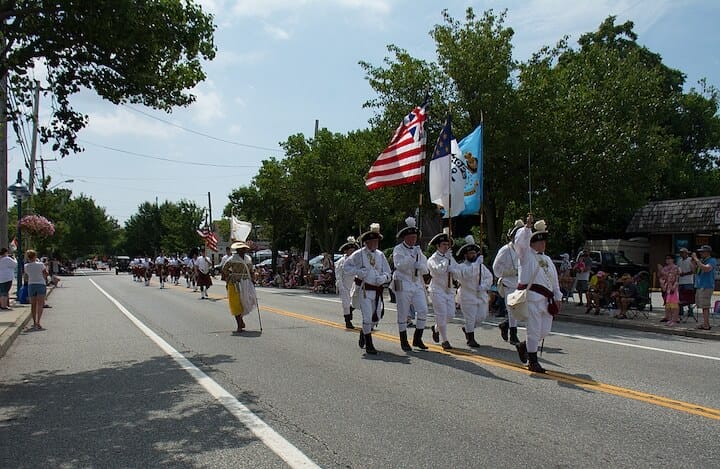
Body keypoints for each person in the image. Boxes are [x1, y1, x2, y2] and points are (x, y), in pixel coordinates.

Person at [513, 216, 562, 373]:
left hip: (547, 300)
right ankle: (533, 361)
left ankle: (524, 346)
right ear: (532, 243)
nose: (542, 244)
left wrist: (558, 296)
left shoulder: (547, 259)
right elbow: (520, 243)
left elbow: (554, 280)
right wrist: (527, 228)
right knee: (533, 330)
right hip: (533, 298)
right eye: (539, 241)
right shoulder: (526, 256)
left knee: (544, 331)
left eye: (544, 241)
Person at [343, 223, 392, 355]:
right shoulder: (358, 254)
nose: (375, 243)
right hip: (365, 290)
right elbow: (346, 268)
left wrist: (384, 277)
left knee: (375, 318)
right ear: (366, 242)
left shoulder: (380, 255)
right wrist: (359, 271)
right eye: (372, 241)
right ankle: (369, 344)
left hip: (377, 291)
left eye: (376, 241)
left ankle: (364, 332)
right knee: (367, 317)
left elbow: (388, 272)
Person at [391, 216, 430, 351]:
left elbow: (425, 268)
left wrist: (419, 265)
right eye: (410, 237)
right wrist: (411, 259)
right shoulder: (398, 249)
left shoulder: (418, 250)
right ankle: (403, 340)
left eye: (415, 237)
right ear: (405, 238)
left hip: (416, 282)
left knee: (423, 310)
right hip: (402, 282)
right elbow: (399, 265)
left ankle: (417, 338)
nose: (413, 240)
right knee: (403, 312)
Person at [454, 235, 493, 348]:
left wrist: (484, 286)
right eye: (471, 253)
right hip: (467, 295)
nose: (473, 255)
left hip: (480, 295)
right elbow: (467, 275)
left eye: (474, 253)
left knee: (482, 316)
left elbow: (489, 277)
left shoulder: (481, 266)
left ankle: (467, 329)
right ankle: (471, 338)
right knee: (470, 318)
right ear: (466, 255)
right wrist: (476, 265)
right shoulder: (461, 267)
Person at [493, 219, 524, 346]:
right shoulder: (505, 250)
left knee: (520, 310)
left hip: (521, 284)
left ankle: (505, 325)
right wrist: (508, 272)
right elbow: (496, 268)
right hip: (508, 283)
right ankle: (513, 334)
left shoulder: (523, 250)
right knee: (512, 309)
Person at [427, 229, 459, 350]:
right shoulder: (432, 259)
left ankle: (436, 328)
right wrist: (446, 262)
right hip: (437, 289)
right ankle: (445, 340)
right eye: (444, 244)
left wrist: (454, 270)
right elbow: (437, 270)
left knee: (450, 314)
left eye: (447, 244)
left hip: (449, 289)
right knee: (441, 314)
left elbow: (457, 273)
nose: (446, 247)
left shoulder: (450, 257)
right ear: (438, 246)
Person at [222, 241, 257, 334]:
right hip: (235, 283)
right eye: (240, 249)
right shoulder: (232, 258)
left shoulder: (248, 259)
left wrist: (253, 279)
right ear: (237, 250)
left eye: (243, 249)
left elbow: (252, 270)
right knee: (235, 303)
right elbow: (224, 269)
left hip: (246, 282)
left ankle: (241, 319)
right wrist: (229, 275)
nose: (242, 250)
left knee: (246, 302)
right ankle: (239, 324)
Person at [335, 236, 360, 329]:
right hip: (345, 285)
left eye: (353, 250)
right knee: (346, 304)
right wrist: (340, 286)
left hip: (354, 284)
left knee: (357, 302)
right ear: (346, 251)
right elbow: (338, 275)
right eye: (350, 250)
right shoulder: (341, 261)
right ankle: (347, 321)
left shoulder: (357, 260)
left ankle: (350, 311)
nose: (352, 252)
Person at [691, 245, 716, 330]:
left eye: (702, 252)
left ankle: (706, 325)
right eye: (700, 252)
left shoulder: (712, 260)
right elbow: (695, 271)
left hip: (707, 286)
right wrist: (693, 262)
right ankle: (705, 322)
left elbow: (706, 269)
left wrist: (697, 260)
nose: (701, 253)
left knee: (705, 306)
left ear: (708, 252)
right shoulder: (701, 261)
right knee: (701, 305)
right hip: (699, 285)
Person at [24, 249, 49, 330]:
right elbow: (46, 273)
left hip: (31, 284)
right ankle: (38, 321)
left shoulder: (26, 266)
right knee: (40, 304)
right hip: (41, 284)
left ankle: (34, 322)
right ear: (35, 256)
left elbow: (26, 277)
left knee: (33, 304)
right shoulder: (40, 264)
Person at [658, 254, 681, 325]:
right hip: (666, 285)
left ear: (673, 259)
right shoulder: (665, 267)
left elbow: (676, 275)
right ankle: (668, 318)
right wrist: (661, 271)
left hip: (672, 287)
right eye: (666, 258)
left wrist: (664, 272)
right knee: (668, 304)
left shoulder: (675, 267)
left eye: (669, 258)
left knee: (674, 306)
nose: (667, 260)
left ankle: (675, 319)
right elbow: (661, 276)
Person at [676, 247, 695, 320]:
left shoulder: (690, 260)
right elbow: (678, 269)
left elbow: (693, 271)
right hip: (681, 281)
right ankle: (680, 312)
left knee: (689, 297)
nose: (681, 254)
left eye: (682, 252)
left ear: (686, 253)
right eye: (680, 252)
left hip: (689, 281)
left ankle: (690, 311)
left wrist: (685, 274)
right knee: (680, 297)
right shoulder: (679, 260)